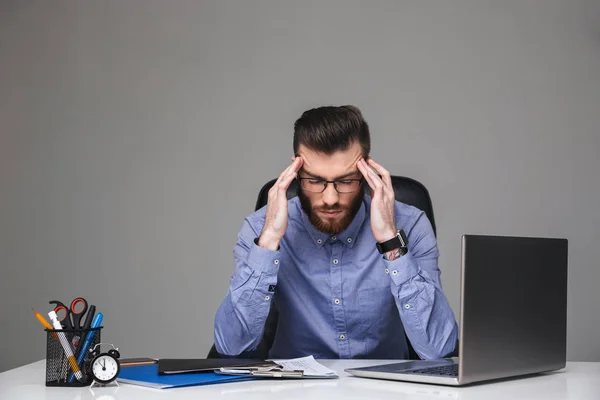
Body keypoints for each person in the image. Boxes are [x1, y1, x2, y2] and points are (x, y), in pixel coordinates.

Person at [214, 105, 458, 359]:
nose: (330, 199)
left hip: (384, 389)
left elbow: (438, 349)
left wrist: (390, 240)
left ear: (366, 173)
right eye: (315, 181)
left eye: (345, 181)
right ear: (295, 174)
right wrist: (268, 242)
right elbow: (231, 346)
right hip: (293, 390)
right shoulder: (260, 229)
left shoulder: (410, 224)